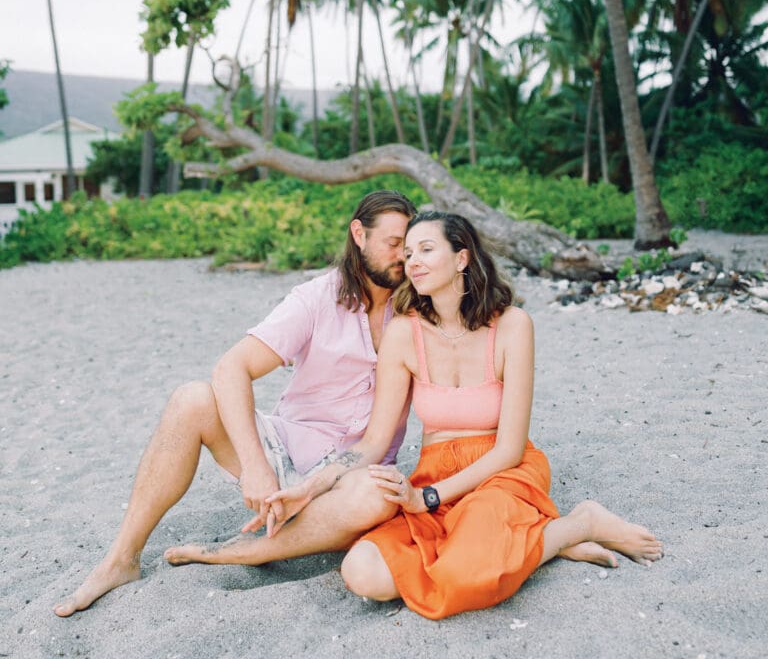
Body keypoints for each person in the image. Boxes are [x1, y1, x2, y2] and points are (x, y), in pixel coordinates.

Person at [265, 211, 664, 620]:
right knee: (363, 573)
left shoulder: (512, 326)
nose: (412, 261)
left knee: (460, 575)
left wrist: (429, 498)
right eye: (407, 252)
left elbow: (510, 448)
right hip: (433, 473)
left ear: (462, 258)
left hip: (500, 471)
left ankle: (582, 523)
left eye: (426, 249)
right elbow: (371, 443)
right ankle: (546, 541)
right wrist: (311, 487)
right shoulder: (404, 333)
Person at [53, 189, 417, 617]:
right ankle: (121, 559)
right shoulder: (317, 298)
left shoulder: (417, 306)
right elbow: (231, 368)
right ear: (359, 234)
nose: (403, 258)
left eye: (409, 248)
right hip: (286, 452)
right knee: (191, 400)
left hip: (353, 476)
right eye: (394, 245)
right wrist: (257, 470)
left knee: (378, 494)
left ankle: (249, 550)